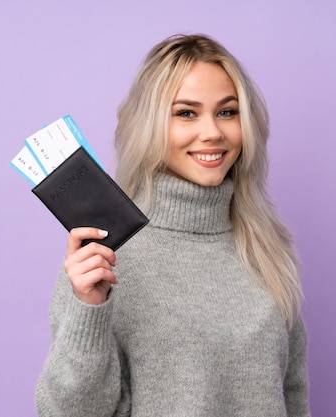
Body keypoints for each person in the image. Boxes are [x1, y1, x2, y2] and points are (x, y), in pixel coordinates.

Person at [35, 34, 310, 416]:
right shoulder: (104, 258)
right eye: (186, 113)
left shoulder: (268, 249)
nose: (213, 132)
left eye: (227, 112)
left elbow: (292, 393)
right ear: (149, 125)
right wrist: (89, 308)